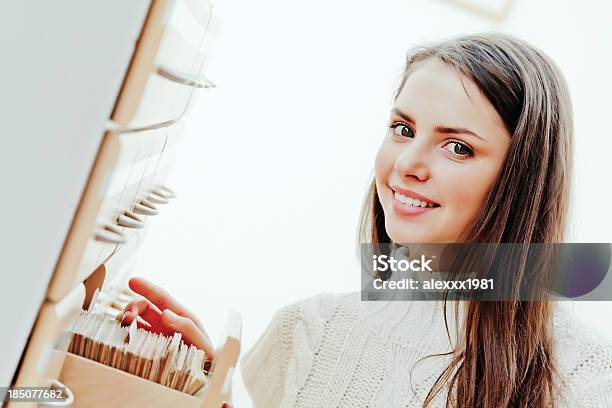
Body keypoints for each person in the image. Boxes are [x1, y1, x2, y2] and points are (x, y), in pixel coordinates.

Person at [118, 33, 612, 407]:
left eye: (457, 147)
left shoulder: (586, 378)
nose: (407, 165)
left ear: (520, 178)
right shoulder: (307, 330)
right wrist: (210, 387)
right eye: (402, 128)